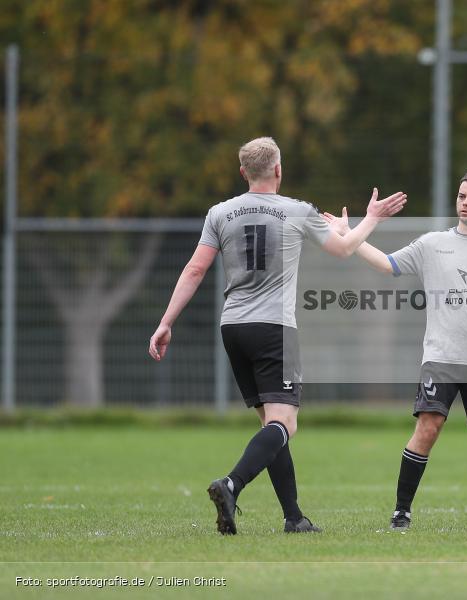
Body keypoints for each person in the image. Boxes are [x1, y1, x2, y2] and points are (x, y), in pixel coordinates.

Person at [148, 137, 406, 535]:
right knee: (284, 424)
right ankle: (231, 485)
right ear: (279, 171)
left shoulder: (220, 212)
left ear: (242, 173)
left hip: (233, 327)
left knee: (273, 424)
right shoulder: (296, 210)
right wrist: (371, 218)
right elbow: (343, 248)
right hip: (273, 329)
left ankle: (294, 517)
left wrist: (166, 321)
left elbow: (195, 270)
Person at [323, 172, 467, 531]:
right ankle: (402, 511)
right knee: (428, 428)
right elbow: (387, 264)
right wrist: (346, 235)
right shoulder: (432, 244)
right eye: (461, 196)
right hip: (440, 357)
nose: (465, 202)